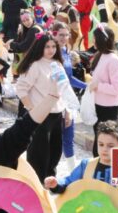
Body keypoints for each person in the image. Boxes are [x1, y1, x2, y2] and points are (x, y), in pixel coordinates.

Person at [44, 120, 118, 213]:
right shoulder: (86, 165)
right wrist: (56, 184)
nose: (104, 149)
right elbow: (69, 183)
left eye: (110, 146)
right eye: (101, 144)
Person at [15, 33, 68, 181]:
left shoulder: (57, 64)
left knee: (56, 150)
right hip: (40, 115)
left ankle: (50, 180)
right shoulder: (35, 65)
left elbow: (64, 89)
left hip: (57, 113)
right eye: (47, 47)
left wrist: (67, 111)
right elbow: (21, 88)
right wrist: (32, 109)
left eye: (53, 46)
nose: (51, 50)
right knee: (39, 152)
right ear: (40, 47)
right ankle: (36, 182)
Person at [87, 25, 118, 155]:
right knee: (99, 143)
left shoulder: (114, 60)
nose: (93, 42)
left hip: (109, 109)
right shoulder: (101, 55)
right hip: (98, 105)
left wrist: (98, 86)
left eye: (95, 39)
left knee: (106, 143)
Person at [53, 21, 86, 170]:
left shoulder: (66, 51)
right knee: (53, 139)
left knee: (68, 137)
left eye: (66, 35)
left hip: (67, 99)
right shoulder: (50, 54)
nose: (64, 38)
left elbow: (69, 78)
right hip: (55, 101)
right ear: (54, 34)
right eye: (61, 35)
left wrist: (87, 86)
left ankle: (72, 172)